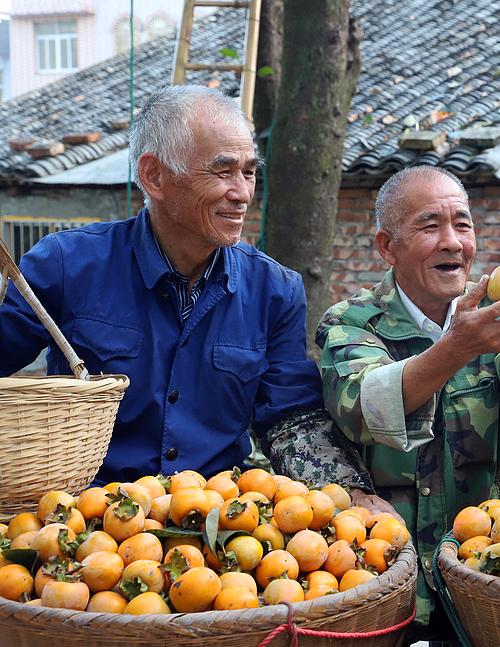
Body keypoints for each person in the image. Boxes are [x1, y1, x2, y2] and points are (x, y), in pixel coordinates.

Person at [0, 85, 374, 502]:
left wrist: (351, 494)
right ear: (154, 177)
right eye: (222, 171)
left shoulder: (275, 290)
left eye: (249, 171)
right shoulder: (66, 264)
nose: (244, 193)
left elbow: (291, 417)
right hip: (88, 523)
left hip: (221, 527)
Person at [317, 165, 500, 640]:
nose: (452, 241)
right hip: (380, 582)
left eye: (462, 224)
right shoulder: (352, 322)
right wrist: (455, 348)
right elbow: (362, 409)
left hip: (482, 574)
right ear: (387, 246)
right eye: (429, 225)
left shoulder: (492, 309)